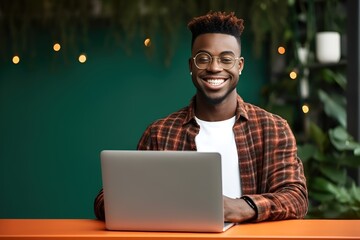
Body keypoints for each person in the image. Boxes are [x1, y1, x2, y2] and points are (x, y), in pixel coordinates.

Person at [94, 11, 308, 223]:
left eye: (226, 59)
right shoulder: (160, 133)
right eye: (203, 58)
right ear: (191, 66)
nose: (214, 68)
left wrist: (243, 207)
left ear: (239, 66)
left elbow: (296, 198)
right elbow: (106, 201)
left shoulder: (273, 128)